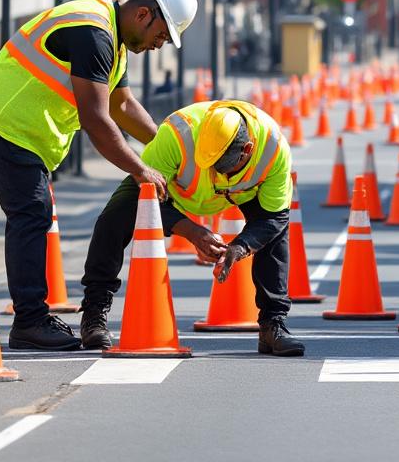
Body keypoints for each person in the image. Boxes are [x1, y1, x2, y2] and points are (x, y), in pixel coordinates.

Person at [0, 0, 198, 351]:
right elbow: (96, 119)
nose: (160, 45)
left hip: (21, 131)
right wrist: (141, 171)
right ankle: (28, 322)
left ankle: (31, 318)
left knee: (32, 213)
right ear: (143, 14)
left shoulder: (112, 37)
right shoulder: (93, 33)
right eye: (162, 35)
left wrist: (167, 148)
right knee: (31, 214)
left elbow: (121, 106)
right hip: (4, 125)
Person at [79, 99, 304, 357]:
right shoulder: (175, 135)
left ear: (248, 149)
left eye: (222, 166)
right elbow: (147, 196)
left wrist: (240, 247)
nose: (214, 175)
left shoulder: (273, 150)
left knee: (275, 237)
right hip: (172, 190)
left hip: (244, 194)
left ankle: (272, 324)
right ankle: (94, 313)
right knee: (114, 218)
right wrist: (193, 232)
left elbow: (274, 217)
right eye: (208, 164)